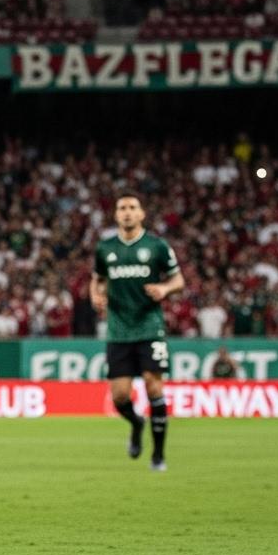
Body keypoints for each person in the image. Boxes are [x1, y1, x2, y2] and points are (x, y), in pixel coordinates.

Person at [90, 194, 184, 472]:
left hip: (149, 327)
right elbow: (96, 281)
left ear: (142, 214)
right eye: (122, 208)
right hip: (118, 330)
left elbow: (178, 279)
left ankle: (158, 455)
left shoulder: (157, 246)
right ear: (116, 215)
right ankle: (135, 423)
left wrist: (165, 289)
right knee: (119, 396)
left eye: (132, 208)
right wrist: (96, 296)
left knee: (154, 386)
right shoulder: (104, 248)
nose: (127, 213)